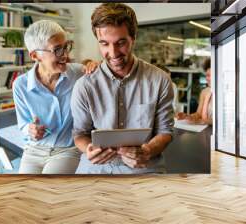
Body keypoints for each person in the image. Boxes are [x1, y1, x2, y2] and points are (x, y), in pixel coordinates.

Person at [70, 3, 174, 174]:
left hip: (144, 167)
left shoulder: (160, 80)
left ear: (133, 38)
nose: (113, 53)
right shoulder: (84, 85)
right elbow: (79, 134)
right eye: (104, 44)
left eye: (121, 42)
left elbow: (165, 131)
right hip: (96, 168)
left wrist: (147, 151)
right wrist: (89, 148)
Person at [13, 20, 98, 174]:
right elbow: (23, 123)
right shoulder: (20, 85)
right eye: (57, 49)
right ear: (35, 55)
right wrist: (30, 129)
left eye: (66, 46)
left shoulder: (79, 73)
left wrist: (96, 65)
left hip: (66, 149)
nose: (65, 55)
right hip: (33, 150)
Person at [176, 58, 212, 125]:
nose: (206, 78)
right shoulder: (204, 92)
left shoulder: (225, 94)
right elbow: (198, 114)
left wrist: (202, 121)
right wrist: (188, 116)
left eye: (209, 75)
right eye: (206, 75)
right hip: (204, 130)